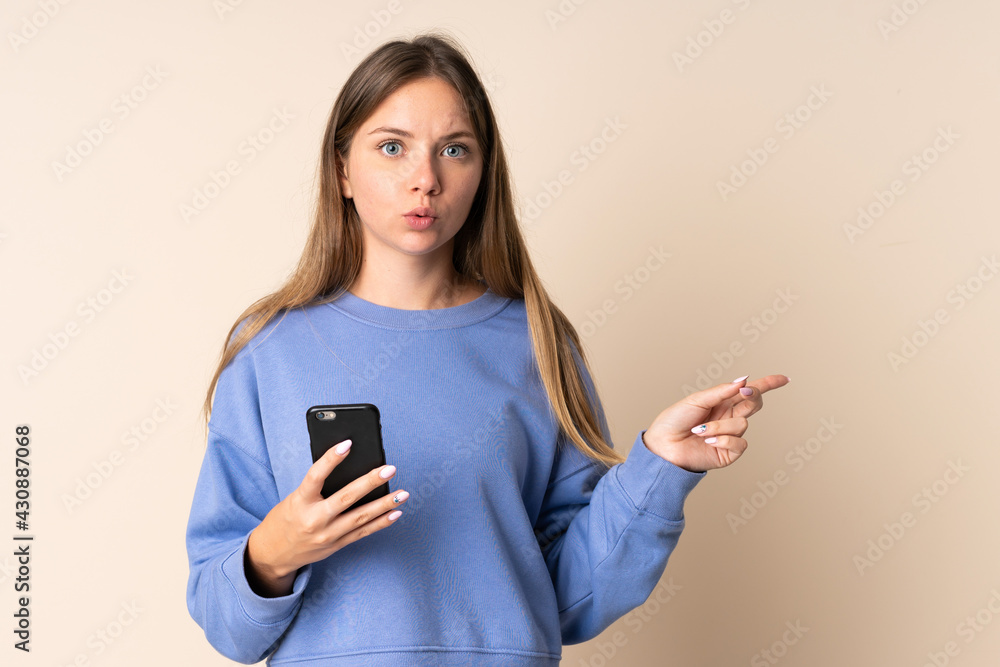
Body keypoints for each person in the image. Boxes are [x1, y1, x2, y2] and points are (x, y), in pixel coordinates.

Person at [184, 30, 789, 666]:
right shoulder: (269, 350)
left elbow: (572, 598)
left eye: (454, 149)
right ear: (342, 170)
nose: (425, 179)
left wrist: (660, 467)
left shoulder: (536, 343)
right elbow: (228, 625)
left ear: (482, 173)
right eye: (392, 147)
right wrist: (276, 549)